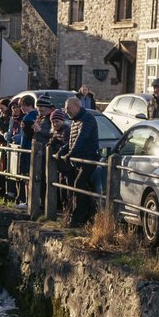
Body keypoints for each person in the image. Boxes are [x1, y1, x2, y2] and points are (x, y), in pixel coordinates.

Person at [60, 94, 99, 226]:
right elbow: (72, 141)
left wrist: (70, 154)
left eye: (68, 108)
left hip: (88, 158)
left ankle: (78, 218)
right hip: (78, 159)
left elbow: (81, 138)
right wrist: (63, 150)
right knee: (73, 186)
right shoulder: (76, 120)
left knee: (79, 185)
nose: (66, 111)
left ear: (76, 106)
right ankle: (77, 215)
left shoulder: (87, 119)